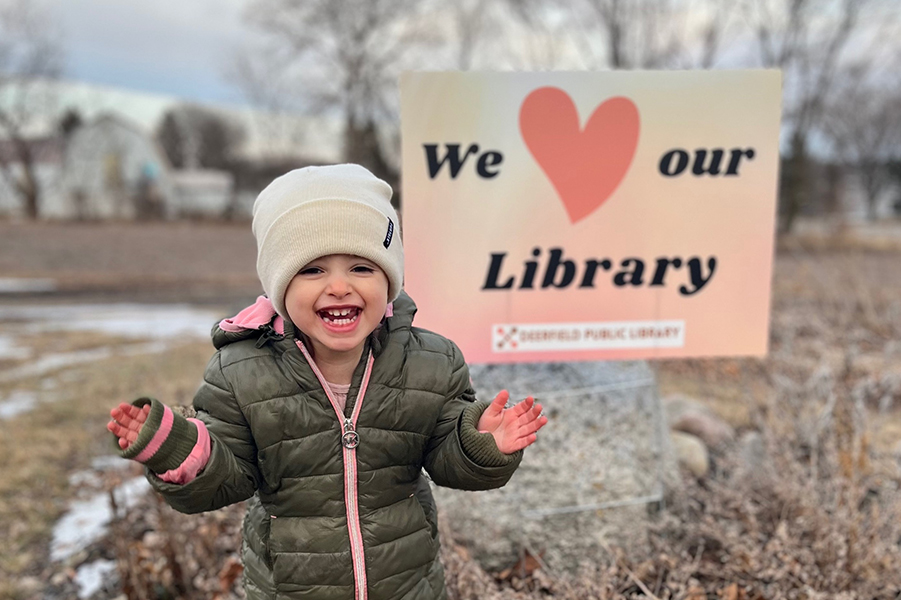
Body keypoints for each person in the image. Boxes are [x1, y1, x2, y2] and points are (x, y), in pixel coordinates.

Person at [107, 164, 547, 600]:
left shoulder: (432, 362)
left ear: (390, 279)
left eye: (361, 268)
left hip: (406, 585)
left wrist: (481, 443)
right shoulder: (241, 372)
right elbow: (229, 474)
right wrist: (177, 449)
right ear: (280, 287)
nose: (339, 286)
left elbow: (445, 456)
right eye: (313, 270)